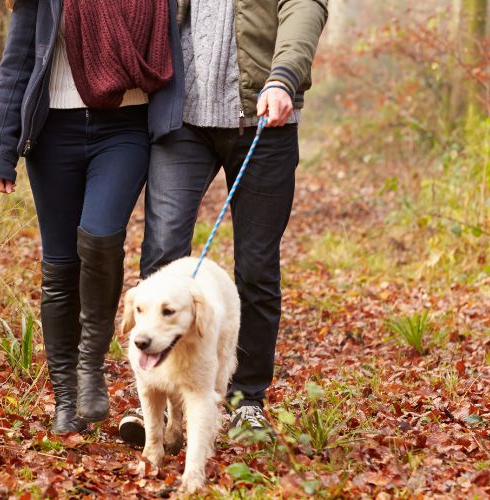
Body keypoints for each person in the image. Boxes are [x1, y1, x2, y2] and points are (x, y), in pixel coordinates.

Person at [118, 0, 328, 443]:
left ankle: (246, 400)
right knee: (161, 255)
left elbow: (304, 9)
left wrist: (285, 76)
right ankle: (156, 397)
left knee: (255, 268)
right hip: (183, 120)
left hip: (264, 120)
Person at [0, 0, 184, 434]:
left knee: (101, 237)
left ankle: (90, 364)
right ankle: (66, 401)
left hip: (124, 129)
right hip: (53, 134)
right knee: (59, 266)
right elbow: (17, 64)